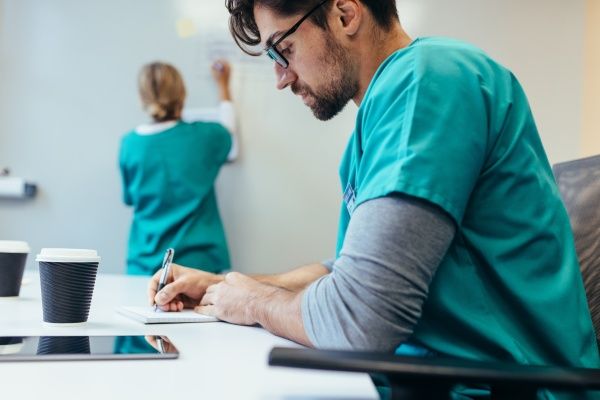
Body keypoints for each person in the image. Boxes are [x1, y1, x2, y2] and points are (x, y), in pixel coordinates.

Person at [148, 1, 599, 396]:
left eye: (282, 49)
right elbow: (347, 271)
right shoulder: (391, 108)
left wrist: (253, 304)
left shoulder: (428, 81)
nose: (281, 78)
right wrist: (226, 285)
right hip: (437, 379)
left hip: (502, 388)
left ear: (345, 13)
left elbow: (359, 320)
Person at [120, 60, 238, 276]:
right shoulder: (205, 137)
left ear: (142, 98)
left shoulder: (130, 144)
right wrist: (223, 85)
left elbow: (129, 199)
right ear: (182, 95)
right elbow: (228, 129)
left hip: (143, 269)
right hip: (197, 268)